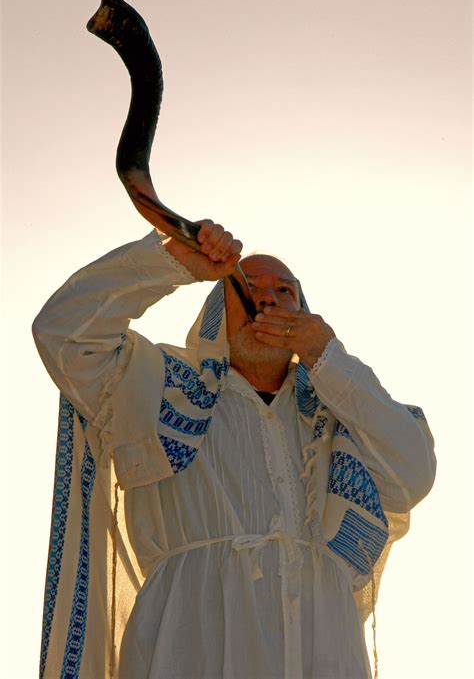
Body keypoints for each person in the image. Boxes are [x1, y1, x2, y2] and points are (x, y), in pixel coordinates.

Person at [33, 220, 436, 679]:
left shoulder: (338, 421)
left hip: (325, 651)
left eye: (285, 291)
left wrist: (327, 356)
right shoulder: (159, 391)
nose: (267, 299)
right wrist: (171, 262)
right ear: (215, 311)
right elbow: (63, 334)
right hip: (189, 646)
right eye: (247, 286)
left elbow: (413, 473)